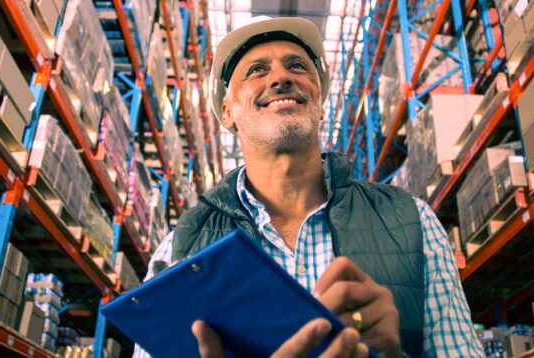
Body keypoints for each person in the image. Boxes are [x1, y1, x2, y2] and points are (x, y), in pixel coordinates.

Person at [133, 17, 483, 357]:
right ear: (227, 112)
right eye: (257, 71)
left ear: (319, 105)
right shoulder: (179, 249)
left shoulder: (412, 222)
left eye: (298, 66)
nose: (281, 77)